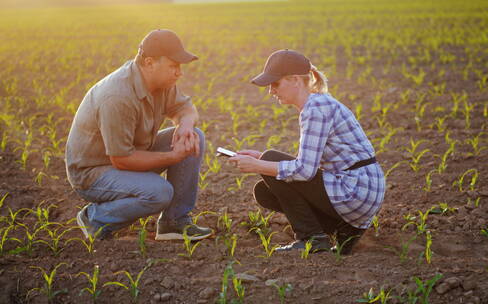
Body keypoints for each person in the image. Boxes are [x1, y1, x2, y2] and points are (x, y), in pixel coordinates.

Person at [229, 49, 385, 254]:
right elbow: (307, 165)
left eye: (275, 83)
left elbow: (304, 171)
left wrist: (259, 165)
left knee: (271, 162)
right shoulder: (319, 103)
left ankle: (312, 239)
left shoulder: (315, 109)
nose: (270, 91)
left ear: (294, 80)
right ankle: (343, 231)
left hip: (355, 190)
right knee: (265, 190)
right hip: (361, 191)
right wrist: (260, 160)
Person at [65, 29, 212, 241]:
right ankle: (95, 218)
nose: (179, 72)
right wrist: (172, 157)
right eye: (173, 65)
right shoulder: (117, 97)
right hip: (94, 172)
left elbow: (185, 109)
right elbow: (122, 160)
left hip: (130, 155)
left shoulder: (162, 83)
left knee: (194, 136)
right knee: (159, 192)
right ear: (150, 63)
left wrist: (186, 126)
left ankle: (174, 222)